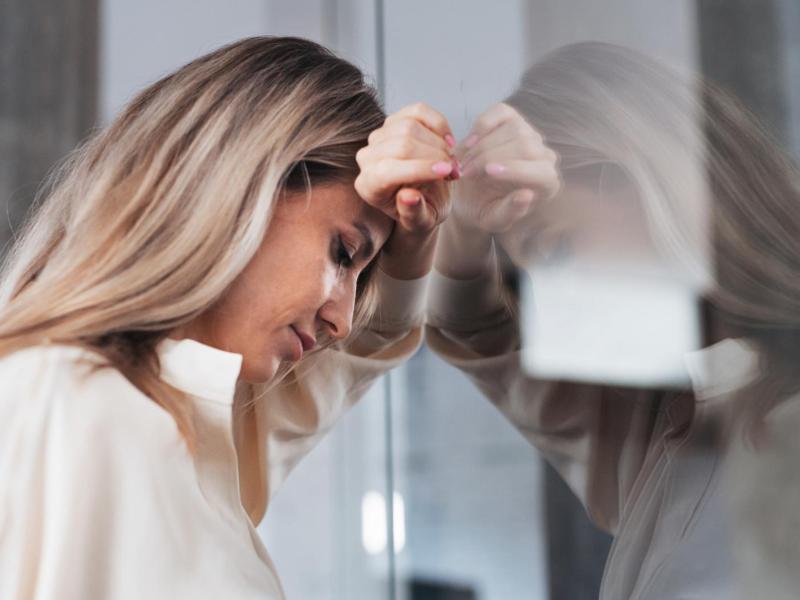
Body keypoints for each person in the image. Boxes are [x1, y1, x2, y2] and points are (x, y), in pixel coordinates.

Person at [0, 36, 457, 599]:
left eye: (360, 275)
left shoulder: (196, 439)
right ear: (245, 186)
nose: (341, 319)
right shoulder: (71, 402)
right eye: (343, 253)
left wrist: (412, 244)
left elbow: (351, 355)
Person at [428, 42, 800, 599]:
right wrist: (463, 227)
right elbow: (476, 332)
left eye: (556, 252)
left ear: (646, 177)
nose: (552, 315)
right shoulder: (671, 431)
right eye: (529, 286)